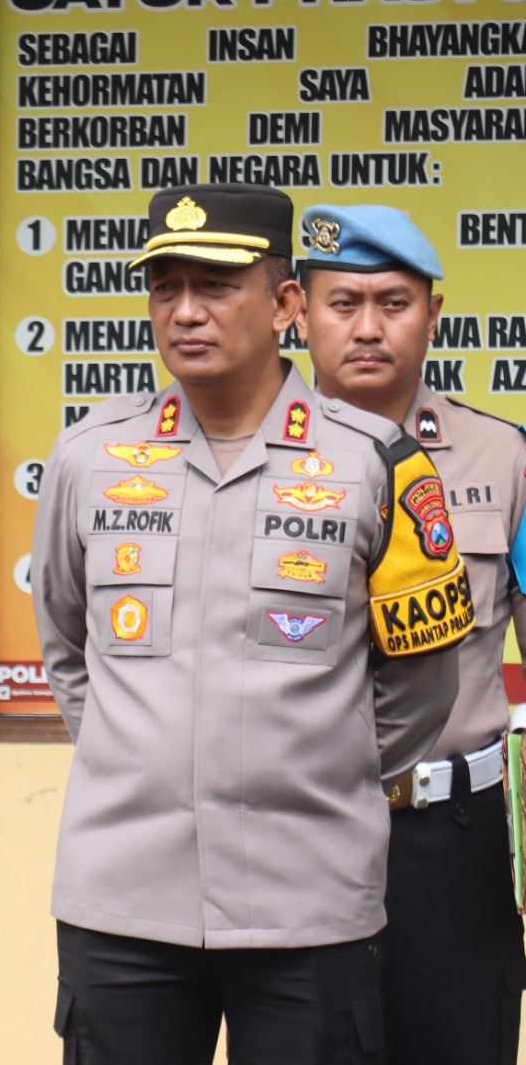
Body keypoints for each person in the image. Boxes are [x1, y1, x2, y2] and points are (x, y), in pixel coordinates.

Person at [31, 183, 473, 1064]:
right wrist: (145, 758)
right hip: (122, 903)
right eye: (166, 288)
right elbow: (67, 646)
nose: (185, 313)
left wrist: (315, 770)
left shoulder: (377, 463)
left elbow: (424, 682)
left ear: (282, 305)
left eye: (216, 286)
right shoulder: (89, 457)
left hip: (307, 902)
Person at [296, 204, 526, 1065]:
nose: (366, 327)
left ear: (433, 314)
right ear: (297, 312)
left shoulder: (506, 458)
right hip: (296, 832)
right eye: (341, 302)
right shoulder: (250, 464)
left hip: (450, 838)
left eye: (393, 302)